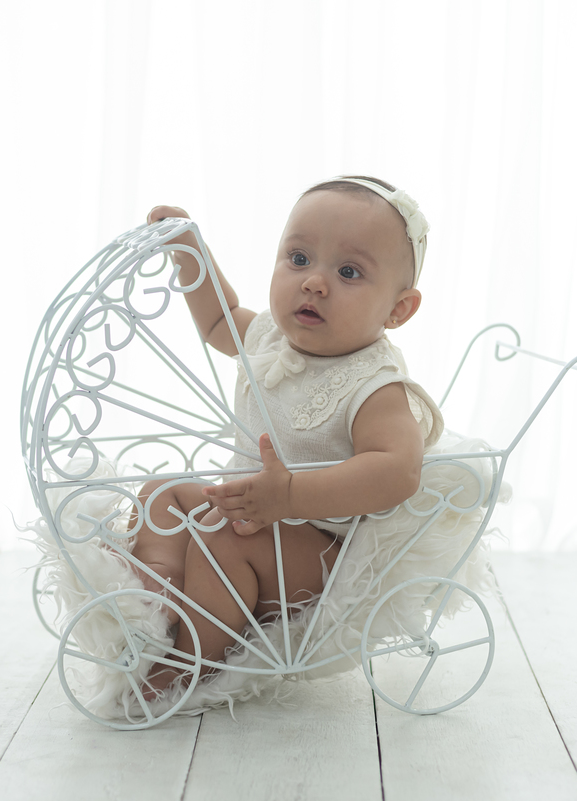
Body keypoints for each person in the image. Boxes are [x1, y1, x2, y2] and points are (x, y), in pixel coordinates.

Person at [129, 176, 445, 698]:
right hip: (244, 515)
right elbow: (219, 319)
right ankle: (159, 589)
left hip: (315, 555)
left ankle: (191, 661)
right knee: (163, 493)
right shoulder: (271, 337)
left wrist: (291, 496)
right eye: (299, 259)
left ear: (399, 309)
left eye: (348, 272)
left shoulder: (374, 384)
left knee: (225, 539)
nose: (314, 282)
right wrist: (188, 252)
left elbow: (399, 470)